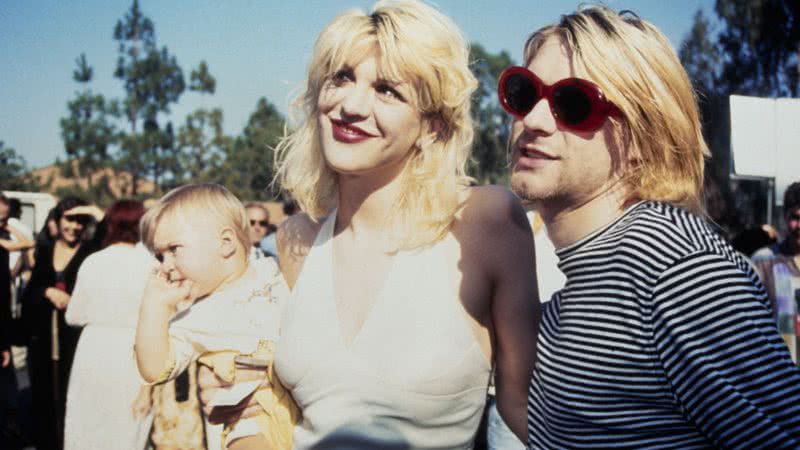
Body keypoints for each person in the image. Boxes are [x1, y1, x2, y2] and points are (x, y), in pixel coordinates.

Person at [201, 2, 539, 449]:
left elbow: (526, 407)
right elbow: (268, 402)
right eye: (341, 77)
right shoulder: (295, 239)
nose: (350, 105)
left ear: (432, 126)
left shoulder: (486, 221)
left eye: (387, 90)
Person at [498, 6, 800, 448]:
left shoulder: (677, 269)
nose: (534, 120)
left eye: (573, 103)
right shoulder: (579, 292)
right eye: (525, 93)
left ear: (644, 139)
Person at [135, 183, 296, 450]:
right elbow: (154, 368)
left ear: (226, 243)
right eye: (159, 255)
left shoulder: (272, 271)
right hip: (252, 425)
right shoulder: (195, 316)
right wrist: (153, 306)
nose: (166, 266)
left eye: (174, 249)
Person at [62, 199, 154, 450]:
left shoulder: (93, 262)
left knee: (88, 426)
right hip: (134, 352)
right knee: (127, 428)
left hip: (94, 350)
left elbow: (73, 316)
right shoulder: (151, 264)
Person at [19, 196, 104, 450]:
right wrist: (47, 292)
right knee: (44, 404)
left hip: (75, 342)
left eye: (80, 221)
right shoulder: (45, 250)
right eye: (69, 219)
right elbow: (30, 293)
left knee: (74, 403)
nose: (74, 227)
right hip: (44, 342)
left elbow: (108, 226)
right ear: (57, 220)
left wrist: (90, 209)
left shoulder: (91, 251)